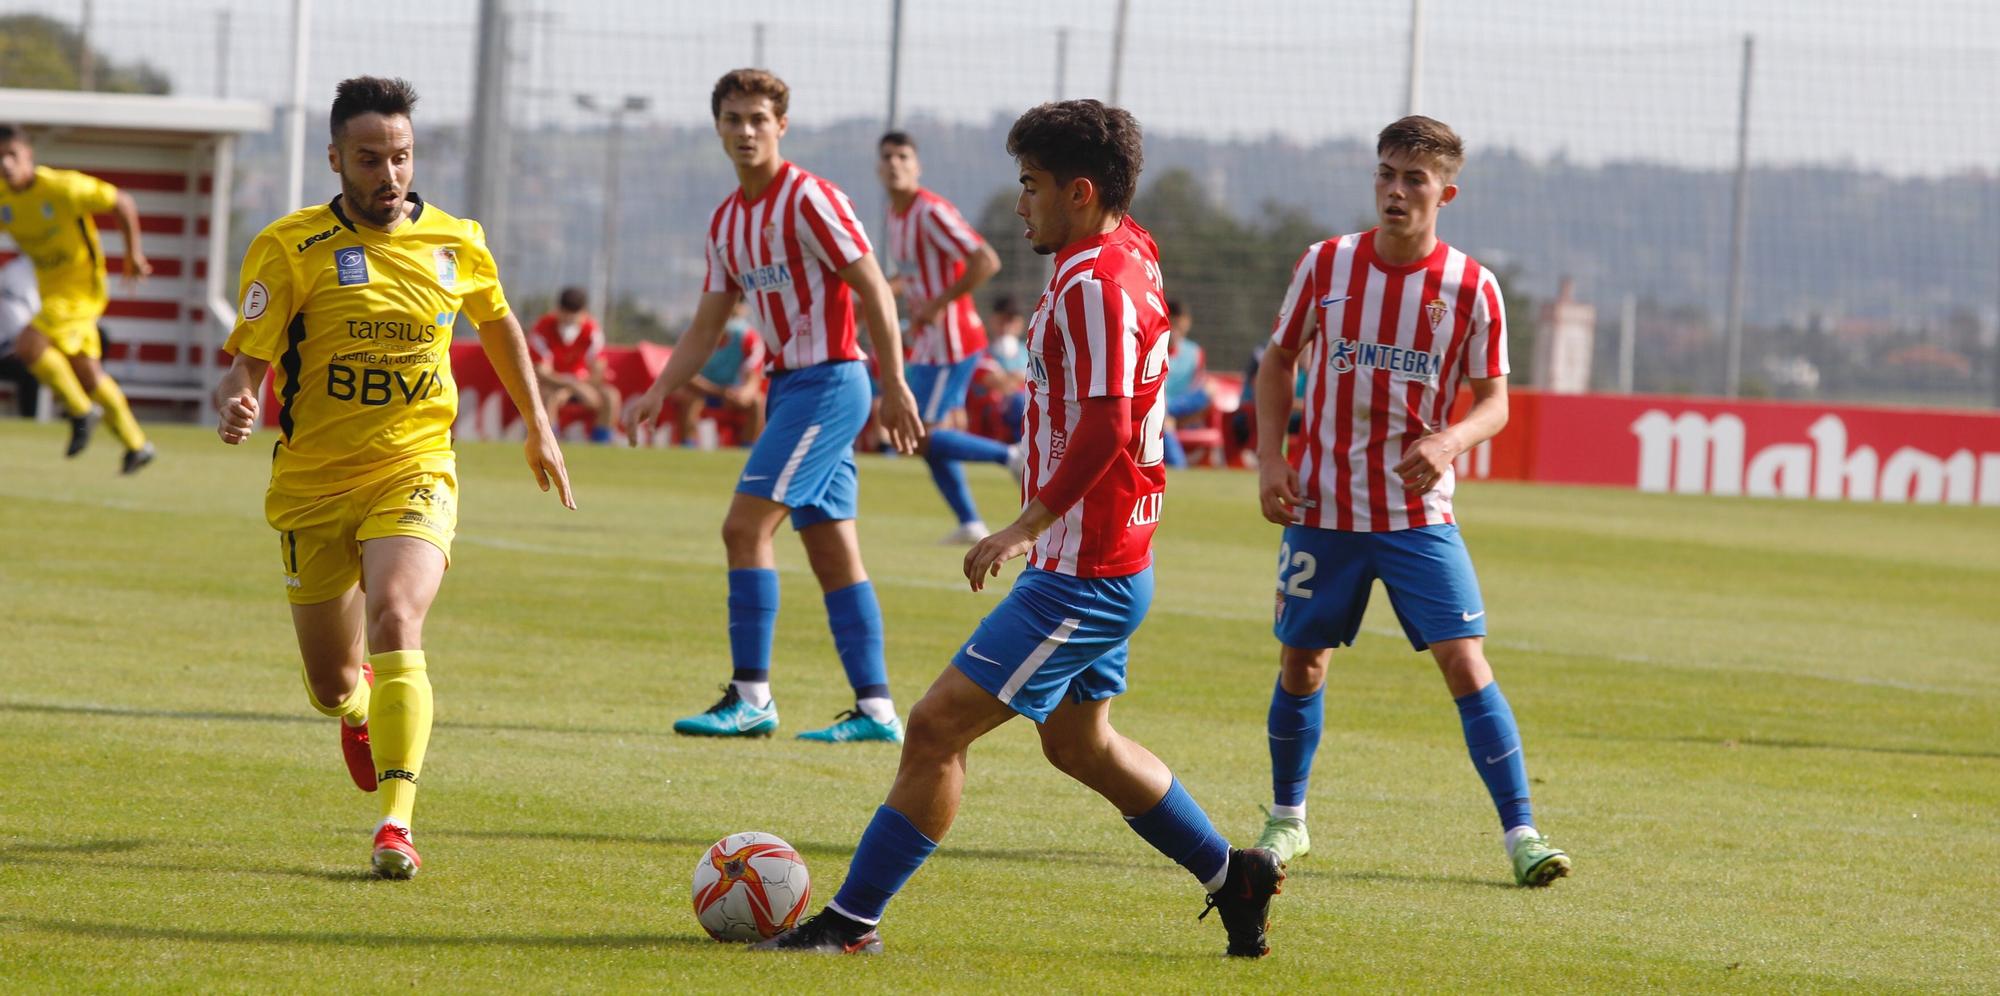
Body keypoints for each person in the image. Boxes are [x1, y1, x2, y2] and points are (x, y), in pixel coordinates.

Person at [753, 99, 1282, 959]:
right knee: (1081, 744)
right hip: (1110, 558)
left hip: (1083, 573)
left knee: (934, 728)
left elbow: (1109, 427)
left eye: (1030, 185)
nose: (1018, 202)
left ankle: (849, 926)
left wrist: (1021, 526)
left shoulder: (1096, 283)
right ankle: (1234, 876)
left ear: (1080, 193)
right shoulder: (1128, 250)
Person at [212, 77, 574, 880]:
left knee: (398, 612)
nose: (389, 175)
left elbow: (499, 321)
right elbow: (248, 363)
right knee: (330, 683)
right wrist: (240, 397)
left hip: (413, 465)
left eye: (401, 157)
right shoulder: (290, 245)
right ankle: (358, 706)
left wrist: (540, 426)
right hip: (311, 485)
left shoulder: (456, 241)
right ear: (336, 158)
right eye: (370, 158)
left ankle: (396, 822)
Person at [1251, 115, 1569, 887]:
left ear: (1444, 192)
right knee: (1303, 664)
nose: (1396, 190)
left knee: (1465, 660)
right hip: (1323, 507)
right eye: (1386, 174)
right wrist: (1270, 458)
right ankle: (1287, 821)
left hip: (1417, 516)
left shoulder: (1471, 287)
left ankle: (1522, 833)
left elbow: (1495, 403)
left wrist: (1449, 441)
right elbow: (1277, 362)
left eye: (1414, 179)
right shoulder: (1326, 265)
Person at [622, 69, 925, 745]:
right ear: (718, 128)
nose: (747, 131)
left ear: (781, 125)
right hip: (792, 386)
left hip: (829, 383)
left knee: (743, 528)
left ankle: (751, 696)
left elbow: (874, 287)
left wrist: (895, 384)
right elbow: (707, 325)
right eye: (734, 119)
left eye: (759, 119)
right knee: (832, 551)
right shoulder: (728, 221)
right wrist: (659, 389)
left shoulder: (812, 199)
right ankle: (876, 710)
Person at [876, 130, 1011, 544]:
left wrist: (939, 302)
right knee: (918, 436)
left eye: (903, 156)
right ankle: (970, 521)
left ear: (917, 166)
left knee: (916, 435)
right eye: (888, 157)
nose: (895, 163)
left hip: (954, 340)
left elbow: (986, 261)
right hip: (930, 343)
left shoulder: (931, 211)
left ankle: (1011, 456)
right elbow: (912, 274)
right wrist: (880, 292)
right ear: (879, 168)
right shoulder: (896, 216)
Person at [0, 122, 155, 471]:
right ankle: (137, 445)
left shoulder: (62, 187)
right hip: (52, 293)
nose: (6, 164)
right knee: (87, 371)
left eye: (12, 155)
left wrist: (133, 256)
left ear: (28, 156)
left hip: (82, 289)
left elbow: (122, 202)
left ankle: (81, 411)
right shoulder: (4, 198)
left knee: (27, 346)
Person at [529, 286, 621, 443]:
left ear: (583, 312)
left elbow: (598, 370)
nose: (569, 321)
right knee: (546, 397)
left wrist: (576, 388)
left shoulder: (592, 330)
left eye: (574, 316)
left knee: (610, 396)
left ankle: (601, 443)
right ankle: (550, 442)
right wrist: (572, 387)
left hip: (585, 384)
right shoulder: (542, 328)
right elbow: (542, 372)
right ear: (558, 310)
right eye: (565, 315)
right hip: (553, 385)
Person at [670, 298, 766, 445]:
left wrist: (742, 394)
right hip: (702, 392)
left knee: (757, 402)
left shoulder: (749, 338)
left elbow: (753, 380)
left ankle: (747, 451)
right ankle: (687, 447)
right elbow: (686, 377)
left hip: (731, 395)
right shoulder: (693, 336)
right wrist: (719, 392)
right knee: (689, 399)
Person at [1158, 298, 1210, 469]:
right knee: (1162, 418)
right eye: (1171, 324)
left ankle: (1164, 415)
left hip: (1178, 409)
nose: (1175, 330)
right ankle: (1179, 468)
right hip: (1156, 407)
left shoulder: (1194, 352)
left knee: (1210, 391)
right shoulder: (1152, 348)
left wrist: (1176, 420)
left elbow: (1198, 394)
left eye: (1179, 325)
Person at [1, 255, 41, 416]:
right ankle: (29, 420)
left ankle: (77, 414)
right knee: (30, 368)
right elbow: (17, 329)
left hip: (32, 347)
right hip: (6, 352)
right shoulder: (15, 272)